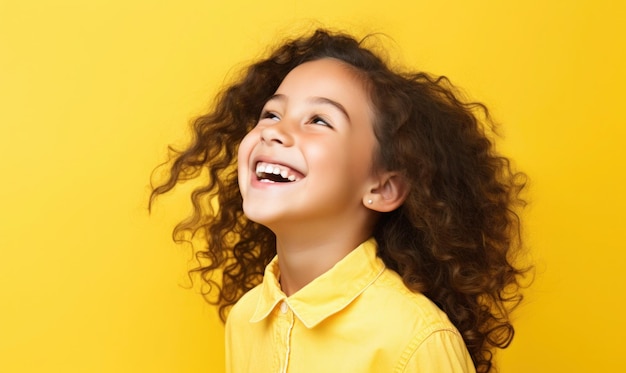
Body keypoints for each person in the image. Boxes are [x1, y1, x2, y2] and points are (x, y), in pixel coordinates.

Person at [151, 29, 528, 373]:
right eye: (271, 113)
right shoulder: (246, 319)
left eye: (319, 120)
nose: (275, 132)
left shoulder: (414, 339)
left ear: (383, 188)